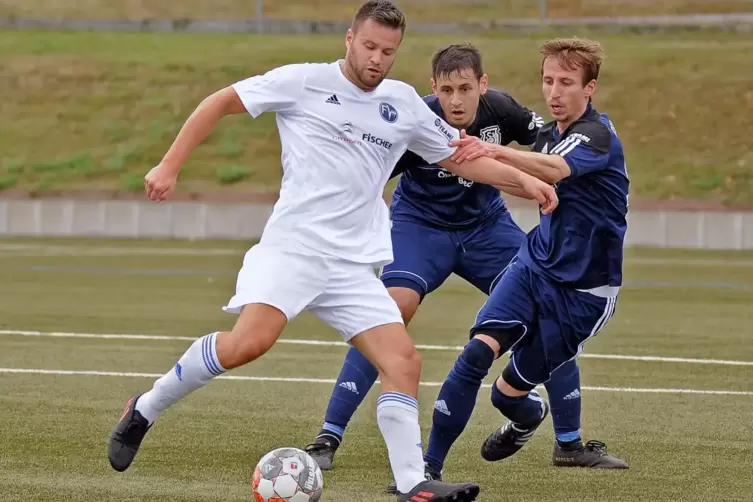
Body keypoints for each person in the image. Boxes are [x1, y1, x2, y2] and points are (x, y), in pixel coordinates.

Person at [105, 2, 558, 501]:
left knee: (403, 362)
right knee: (248, 344)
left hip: (352, 266)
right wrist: (169, 167)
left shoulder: (403, 102)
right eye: (369, 47)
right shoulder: (304, 81)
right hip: (294, 250)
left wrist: (525, 181)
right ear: (349, 39)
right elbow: (219, 101)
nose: (377, 59)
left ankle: (413, 483)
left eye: (388, 51)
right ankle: (144, 409)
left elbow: (464, 159)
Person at [303, 43, 627, 487]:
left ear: (483, 85)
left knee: (548, 314)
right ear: (433, 88)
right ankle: (328, 437)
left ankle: (568, 443)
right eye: (448, 90)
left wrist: (522, 167)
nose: (457, 101)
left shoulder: (503, 111)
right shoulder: (414, 120)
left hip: (486, 228)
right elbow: (366, 172)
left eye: (467, 89)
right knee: (389, 312)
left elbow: (554, 148)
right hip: (421, 227)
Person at [432, 36, 629, 472]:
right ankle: (427, 471)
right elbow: (521, 179)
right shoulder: (546, 136)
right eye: (548, 81)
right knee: (477, 352)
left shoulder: (595, 136)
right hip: (535, 267)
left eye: (566, 83)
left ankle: (531, 421)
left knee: (508, 392)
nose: (554, 93)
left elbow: (553, 169)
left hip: (584, 292)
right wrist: (470, 165)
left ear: (589, 88)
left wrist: (490, 148)